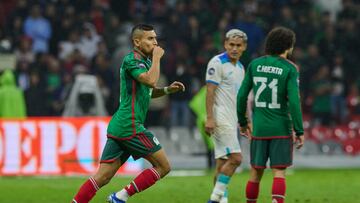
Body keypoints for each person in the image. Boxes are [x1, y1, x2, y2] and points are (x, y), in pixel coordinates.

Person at [72, 24, 185, 203]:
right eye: (150, 39)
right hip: (130, 124)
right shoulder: (131, 60)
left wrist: (167, 90)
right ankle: (120, 197)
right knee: (163, 166)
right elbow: (150, 81)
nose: (155, 42)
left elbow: (148, 90)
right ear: (137, 41)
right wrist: (157, 59)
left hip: (121, 125)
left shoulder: (144, 62)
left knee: (102, 177)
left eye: (155, 38)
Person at [237, 27, 305, 203]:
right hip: (281, 128)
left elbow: (242, 96)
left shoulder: (255, 65)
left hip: (259, 129)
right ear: (289, 47)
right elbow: (294, 102)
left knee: (255, 172)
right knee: (279, 172)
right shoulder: (290, 68)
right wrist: (299, 130)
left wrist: (243, 122)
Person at [205, 29, 248, 203]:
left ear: (244, 47)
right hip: (220, 117)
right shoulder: (217, 62)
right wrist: (209, 118)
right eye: (231, 45)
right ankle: (214, 200)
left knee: (222, 164)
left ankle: (222, 200)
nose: (234, 48)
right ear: (225, 44)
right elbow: (210, 91)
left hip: (232, 118)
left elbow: (239, 97)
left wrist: (244, 120)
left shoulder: (240, 67)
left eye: (238, 45)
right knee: (236, 159)